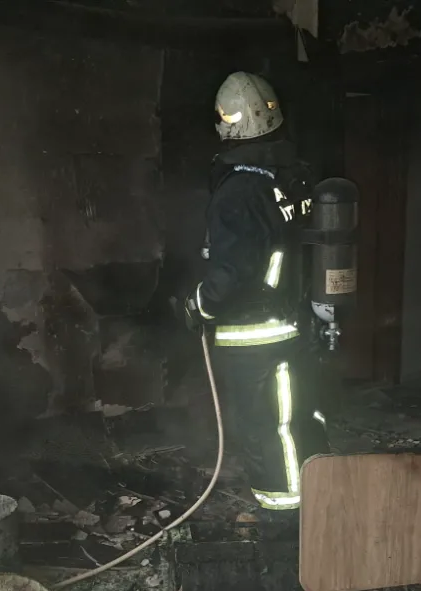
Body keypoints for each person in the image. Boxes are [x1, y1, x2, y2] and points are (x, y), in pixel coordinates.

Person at [184, 71, 329, 511]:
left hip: (257, 340)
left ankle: (287, 519)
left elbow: (234, 270)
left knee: (268, 427)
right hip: (299, 325)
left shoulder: (240, 190)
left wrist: (200, 304)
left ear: (224, 123)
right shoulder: (292, 176)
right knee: (301, 418)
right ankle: (324, 508)